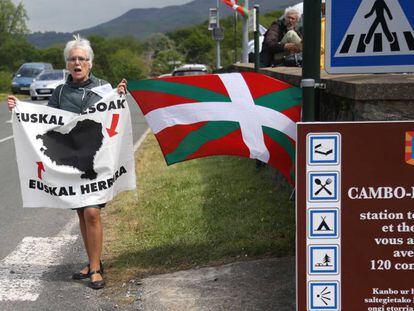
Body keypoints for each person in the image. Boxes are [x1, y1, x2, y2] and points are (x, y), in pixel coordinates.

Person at [8, 35, 127, 290]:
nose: (77, 63)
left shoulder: (104, 88)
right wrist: (19, 107)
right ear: (67, 64)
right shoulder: (60, 91)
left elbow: (114, 113)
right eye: (72, 59)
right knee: (83, 213)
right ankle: (93, 261)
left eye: (82, 59)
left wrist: (119, 94)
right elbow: (44, 120)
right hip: (71, 162)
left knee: (93, 211)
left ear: (90, 63)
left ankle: (95, 269)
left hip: (95, 161)